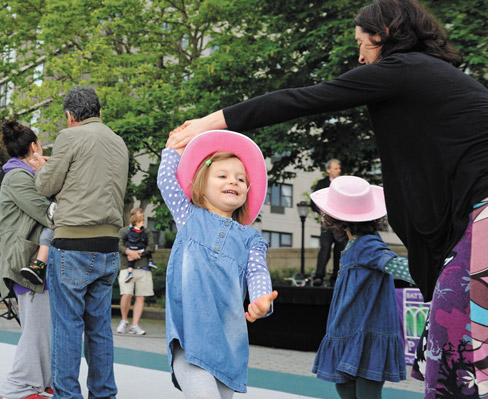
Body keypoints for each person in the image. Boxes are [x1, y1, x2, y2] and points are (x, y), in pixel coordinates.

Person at [166, 1, 488, 396]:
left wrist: (209, 123)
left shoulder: (404, 69)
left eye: (361, 44)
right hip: (473, 220)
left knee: (455, 352)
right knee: (456, 347)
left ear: (382, 35)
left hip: (483, 219)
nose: (359, 56)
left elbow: (303, 98)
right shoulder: (432, 80)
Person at [158, 129, 278, 398]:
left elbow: (258, 271)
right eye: (222, 176)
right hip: (189, 339)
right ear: (201, 182)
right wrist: (174, 150)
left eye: (240, 179)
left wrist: (261, 300)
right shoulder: (188, 215)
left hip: (229, 346)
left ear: (248, 190)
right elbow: (166, 181)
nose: (232, 182)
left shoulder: (251, 238)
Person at [32, 86, 129, 399]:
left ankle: (67, 395)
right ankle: (103, 394)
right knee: (99, 328)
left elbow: (47, 184)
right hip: (108, 247)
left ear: (70, 116)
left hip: (72, 244)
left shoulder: (68, 137)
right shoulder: (118, 142)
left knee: (67, 326)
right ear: (100, 113)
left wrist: (42, 168)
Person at [310, 176, 408, 398]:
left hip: (366, 331)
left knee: (365, 392)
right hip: (349, 329)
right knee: (345, 387)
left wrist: (438, 274)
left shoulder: (368, 244)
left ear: (334, 218)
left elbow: (398, 266)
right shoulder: (354, 244)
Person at [0, 119, 53, 399]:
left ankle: (40, 383)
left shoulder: (23, 176)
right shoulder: (18, 178)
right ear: (33, 147)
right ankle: (17, 388)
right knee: (35, 330)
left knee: (43, 328)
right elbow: (49, 214)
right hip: (26, 263)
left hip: (30, 259)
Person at [116, 207, 156, 335]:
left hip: (143, 267)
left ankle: (135, 325)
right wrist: (129, 252)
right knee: (126, 294)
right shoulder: (124, 231)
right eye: (140, 217)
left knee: (141, 297)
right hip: (126, 268)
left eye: (143, 218)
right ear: (133, 217)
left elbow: (151, 247)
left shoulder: (147, 231)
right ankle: (124, 320)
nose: (142, 220)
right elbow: (119, 245)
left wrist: (138, 253)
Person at [310, 159, 346, 287]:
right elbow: (313, 202)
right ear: (328, 170)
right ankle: (319, 276)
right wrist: (323, 213)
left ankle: (336, 277)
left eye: (339, 168)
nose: (339, 170)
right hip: (326, 223)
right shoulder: (321, 184)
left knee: (340, 250)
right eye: (336, 168)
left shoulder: (343, 185)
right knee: (325, 248)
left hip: (341, 224)